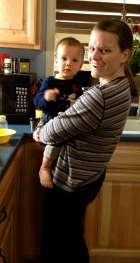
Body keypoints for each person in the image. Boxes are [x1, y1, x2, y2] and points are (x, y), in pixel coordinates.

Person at [33, 19, 138, 263]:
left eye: (104, 50)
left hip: (71, 182)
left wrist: (40, 131)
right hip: (90, 175)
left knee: (60, 246)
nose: (94, 56)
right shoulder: (123, 87)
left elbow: (50, 133)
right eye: (91, 48)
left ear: (124, 55)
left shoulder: (100, 97)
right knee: (71, 238)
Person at [34, 37, 84, 188]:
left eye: (74, 60)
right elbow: (37, 102)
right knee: (56, 142)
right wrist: (45, 97)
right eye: (64, 58)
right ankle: (45, 167)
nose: (69, 63)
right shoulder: (49, 82)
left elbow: (81, 104)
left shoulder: (76, 86)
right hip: (52, 122)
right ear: (56, 59)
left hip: (69, 123)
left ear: (80, 65)